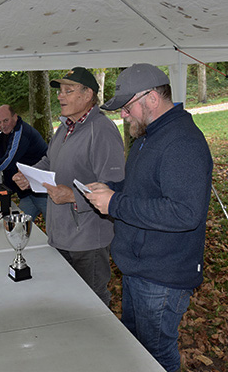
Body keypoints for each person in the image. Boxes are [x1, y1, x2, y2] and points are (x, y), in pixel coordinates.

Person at [85, 63, 213, 372]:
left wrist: (115, 203)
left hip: (162, 275)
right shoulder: (148, 136)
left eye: (127, 107)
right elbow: (143, 189)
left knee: (156, 354)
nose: (123, 115)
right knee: (137, 349)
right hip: (139, 268)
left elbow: (185, 212)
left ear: (152, 99)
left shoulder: (182, 142)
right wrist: (111, 189)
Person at [13, 67, 125, 306]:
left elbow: (114, 186)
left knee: (92, 303)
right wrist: (28, 175)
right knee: (67, 302)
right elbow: (50, 160)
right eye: (59, 91)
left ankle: (98, 343)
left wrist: (73, 195)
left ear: (87, 95)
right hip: (61, 234)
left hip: (88, 239)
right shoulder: (65, 126)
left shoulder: (102, 130)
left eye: (68, 90)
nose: (60, 96)